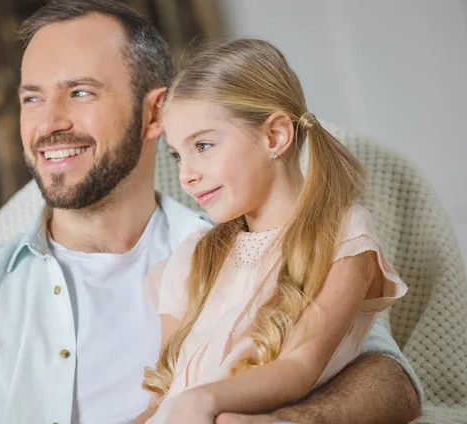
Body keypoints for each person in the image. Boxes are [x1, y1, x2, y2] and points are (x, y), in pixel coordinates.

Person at [0, 1, 421, 423]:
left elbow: (388, 377)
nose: (48, 122)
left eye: (79, 92)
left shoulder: (250, 241)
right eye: (31, 97)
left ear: (155, 111)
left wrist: (278, 419)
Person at [131, 38, 409, 424]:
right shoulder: (194, 256)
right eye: (178, 154)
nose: (185, 175)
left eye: (204, 145)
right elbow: (159, 398)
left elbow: (300, 365)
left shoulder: (343, 236)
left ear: (275, 137)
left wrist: (200, 401)